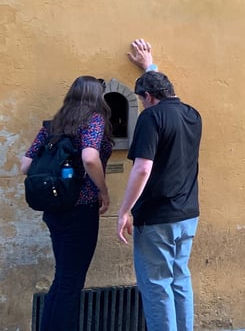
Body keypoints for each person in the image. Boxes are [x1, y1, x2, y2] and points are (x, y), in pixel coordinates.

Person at [116, 39, 203, 331]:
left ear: (149, 97)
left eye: (142, 99)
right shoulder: (192, 114)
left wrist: (124, 211)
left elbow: (142, 168)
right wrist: (150, 67)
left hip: (157, 218)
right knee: (180, 279)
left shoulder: (151, 117)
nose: (142, 104)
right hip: (187, 215)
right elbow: (167, 101)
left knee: (156, 285)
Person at [20, 76, 113, 330]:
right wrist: (103, 191)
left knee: (62, 279)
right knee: (70, 283)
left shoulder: (54, 125)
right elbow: (90, 158)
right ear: (96, 97)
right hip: (80, 211)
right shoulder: (94, 120)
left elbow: (25, 166)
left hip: (54, 209)